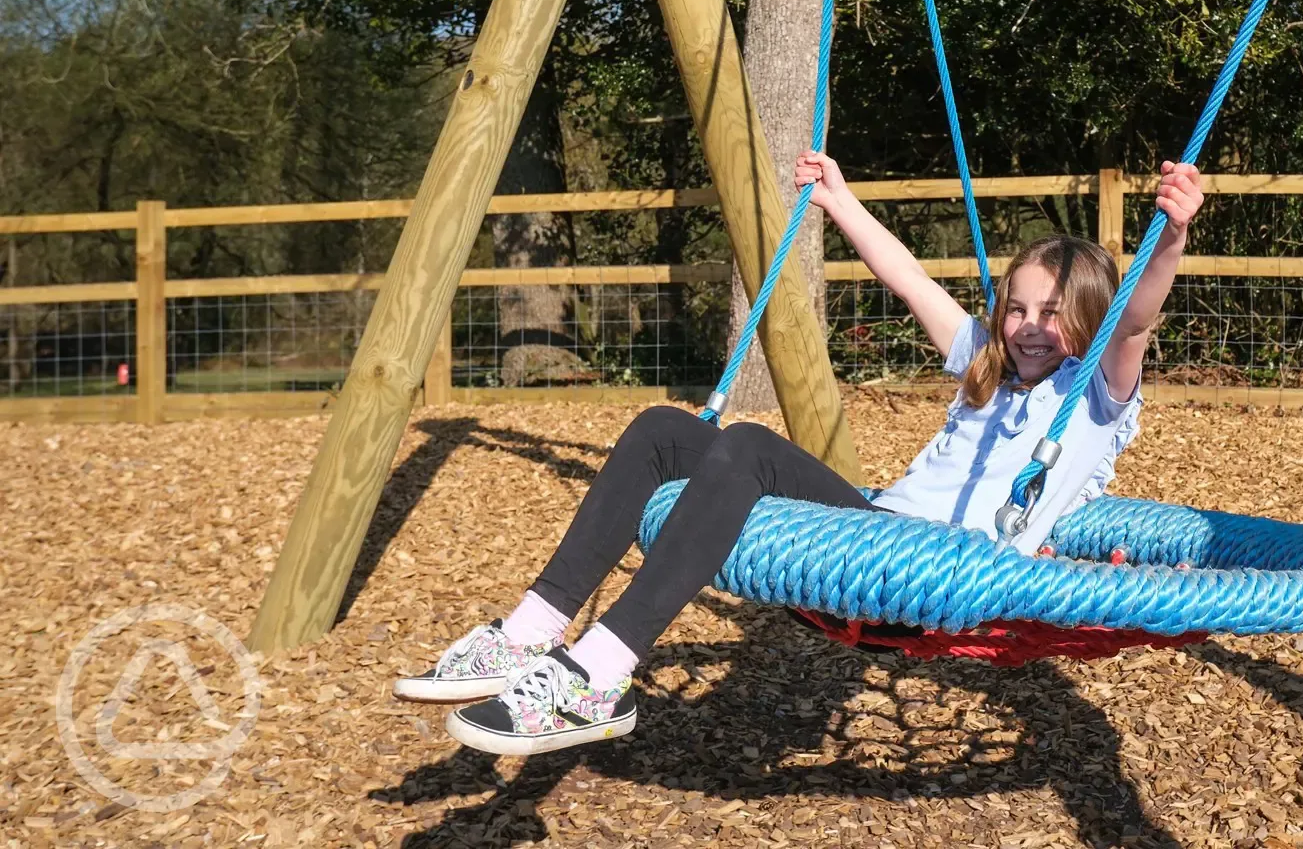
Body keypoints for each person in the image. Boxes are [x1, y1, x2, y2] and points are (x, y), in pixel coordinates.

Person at [395, 154, 1205, 756]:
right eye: (1018, 308)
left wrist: (1169, 234)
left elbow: (1135, 321)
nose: (1030, 325)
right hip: (879, 529)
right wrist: (839, 200)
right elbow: (910, 281)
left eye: (1055, 314)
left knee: (745, 444)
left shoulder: (1094, 396)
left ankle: (601, 670)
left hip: (953, 574)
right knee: (660, 432)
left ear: (1091, 321)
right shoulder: (984, 363)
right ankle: (529, 629)